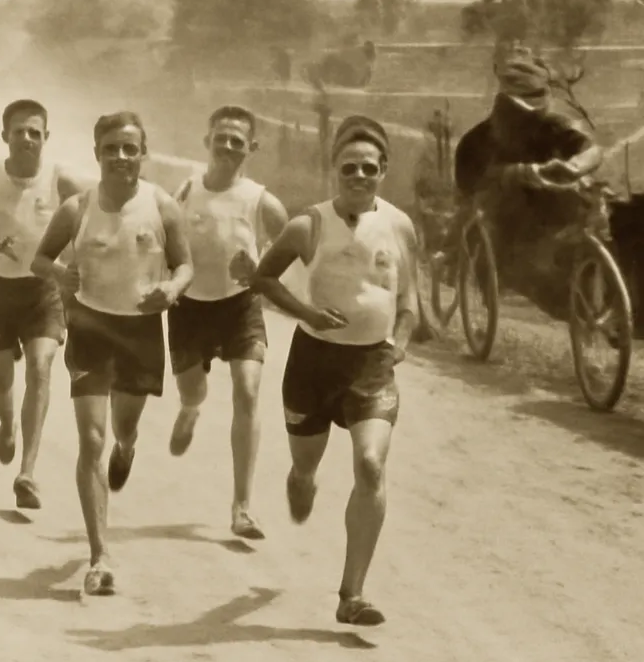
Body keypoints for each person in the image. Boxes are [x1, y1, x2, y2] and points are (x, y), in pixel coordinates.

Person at [250, 115, 418, 626]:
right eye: (349, 167)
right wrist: (306, 314)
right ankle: (302, 478)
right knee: (307, 464)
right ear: (334, 171)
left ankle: (352, 594)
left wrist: (401, 343)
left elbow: (409, 299)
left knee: (370, 465)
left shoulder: (400, 225)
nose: (359, 175)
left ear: (383, 171)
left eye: (369, 167)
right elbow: (263, 278)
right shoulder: (309, 225)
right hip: (313, 363)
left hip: (371, 365)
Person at [31, 111, 194, 596]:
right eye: (112, 148)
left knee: (122, 430)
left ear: (143, 154)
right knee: (92, 440)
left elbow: (186, 265)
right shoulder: (77, 208)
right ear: (97, 152)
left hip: (141, 332)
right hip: (91, 329)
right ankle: (100, 555)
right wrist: (60, 274)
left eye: (130, 148)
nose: (121, 157)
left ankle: (129, 447)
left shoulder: (162, 205)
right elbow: (40, 259)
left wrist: (172, 289)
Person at [0, 99, 90, 510]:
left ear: (46, 137)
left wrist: (72, 265)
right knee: (3, 378)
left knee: (41, 369)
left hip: (43, 294)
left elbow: (98, 220)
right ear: (4, 135)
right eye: (19, 131)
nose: (26, 138)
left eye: (34, 132)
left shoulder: (63, 180)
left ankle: (28, 471)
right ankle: (7, 424)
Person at [166, 105, 288, 540]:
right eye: (222, 138)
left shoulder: (262, 202)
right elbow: (164, 240)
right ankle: (190, 407)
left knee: (248, 390)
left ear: (251, 149)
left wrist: (258, 265)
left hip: (239, 308)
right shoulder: (184, 192)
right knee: (192, 387)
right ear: (207, 142)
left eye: (239, 141)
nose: (229, 147)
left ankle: (242, 506)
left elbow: (290, 251)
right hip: (190, 308)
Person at [445, 51, 601, 318]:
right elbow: (469, 185)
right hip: (507, 223)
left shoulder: (554, 126)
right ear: (503, 105)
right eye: (517, 110)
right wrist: (518, 174)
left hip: (550, 215)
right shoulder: (477, 141)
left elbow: (589, 149)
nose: (526, 118)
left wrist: (575, 167)